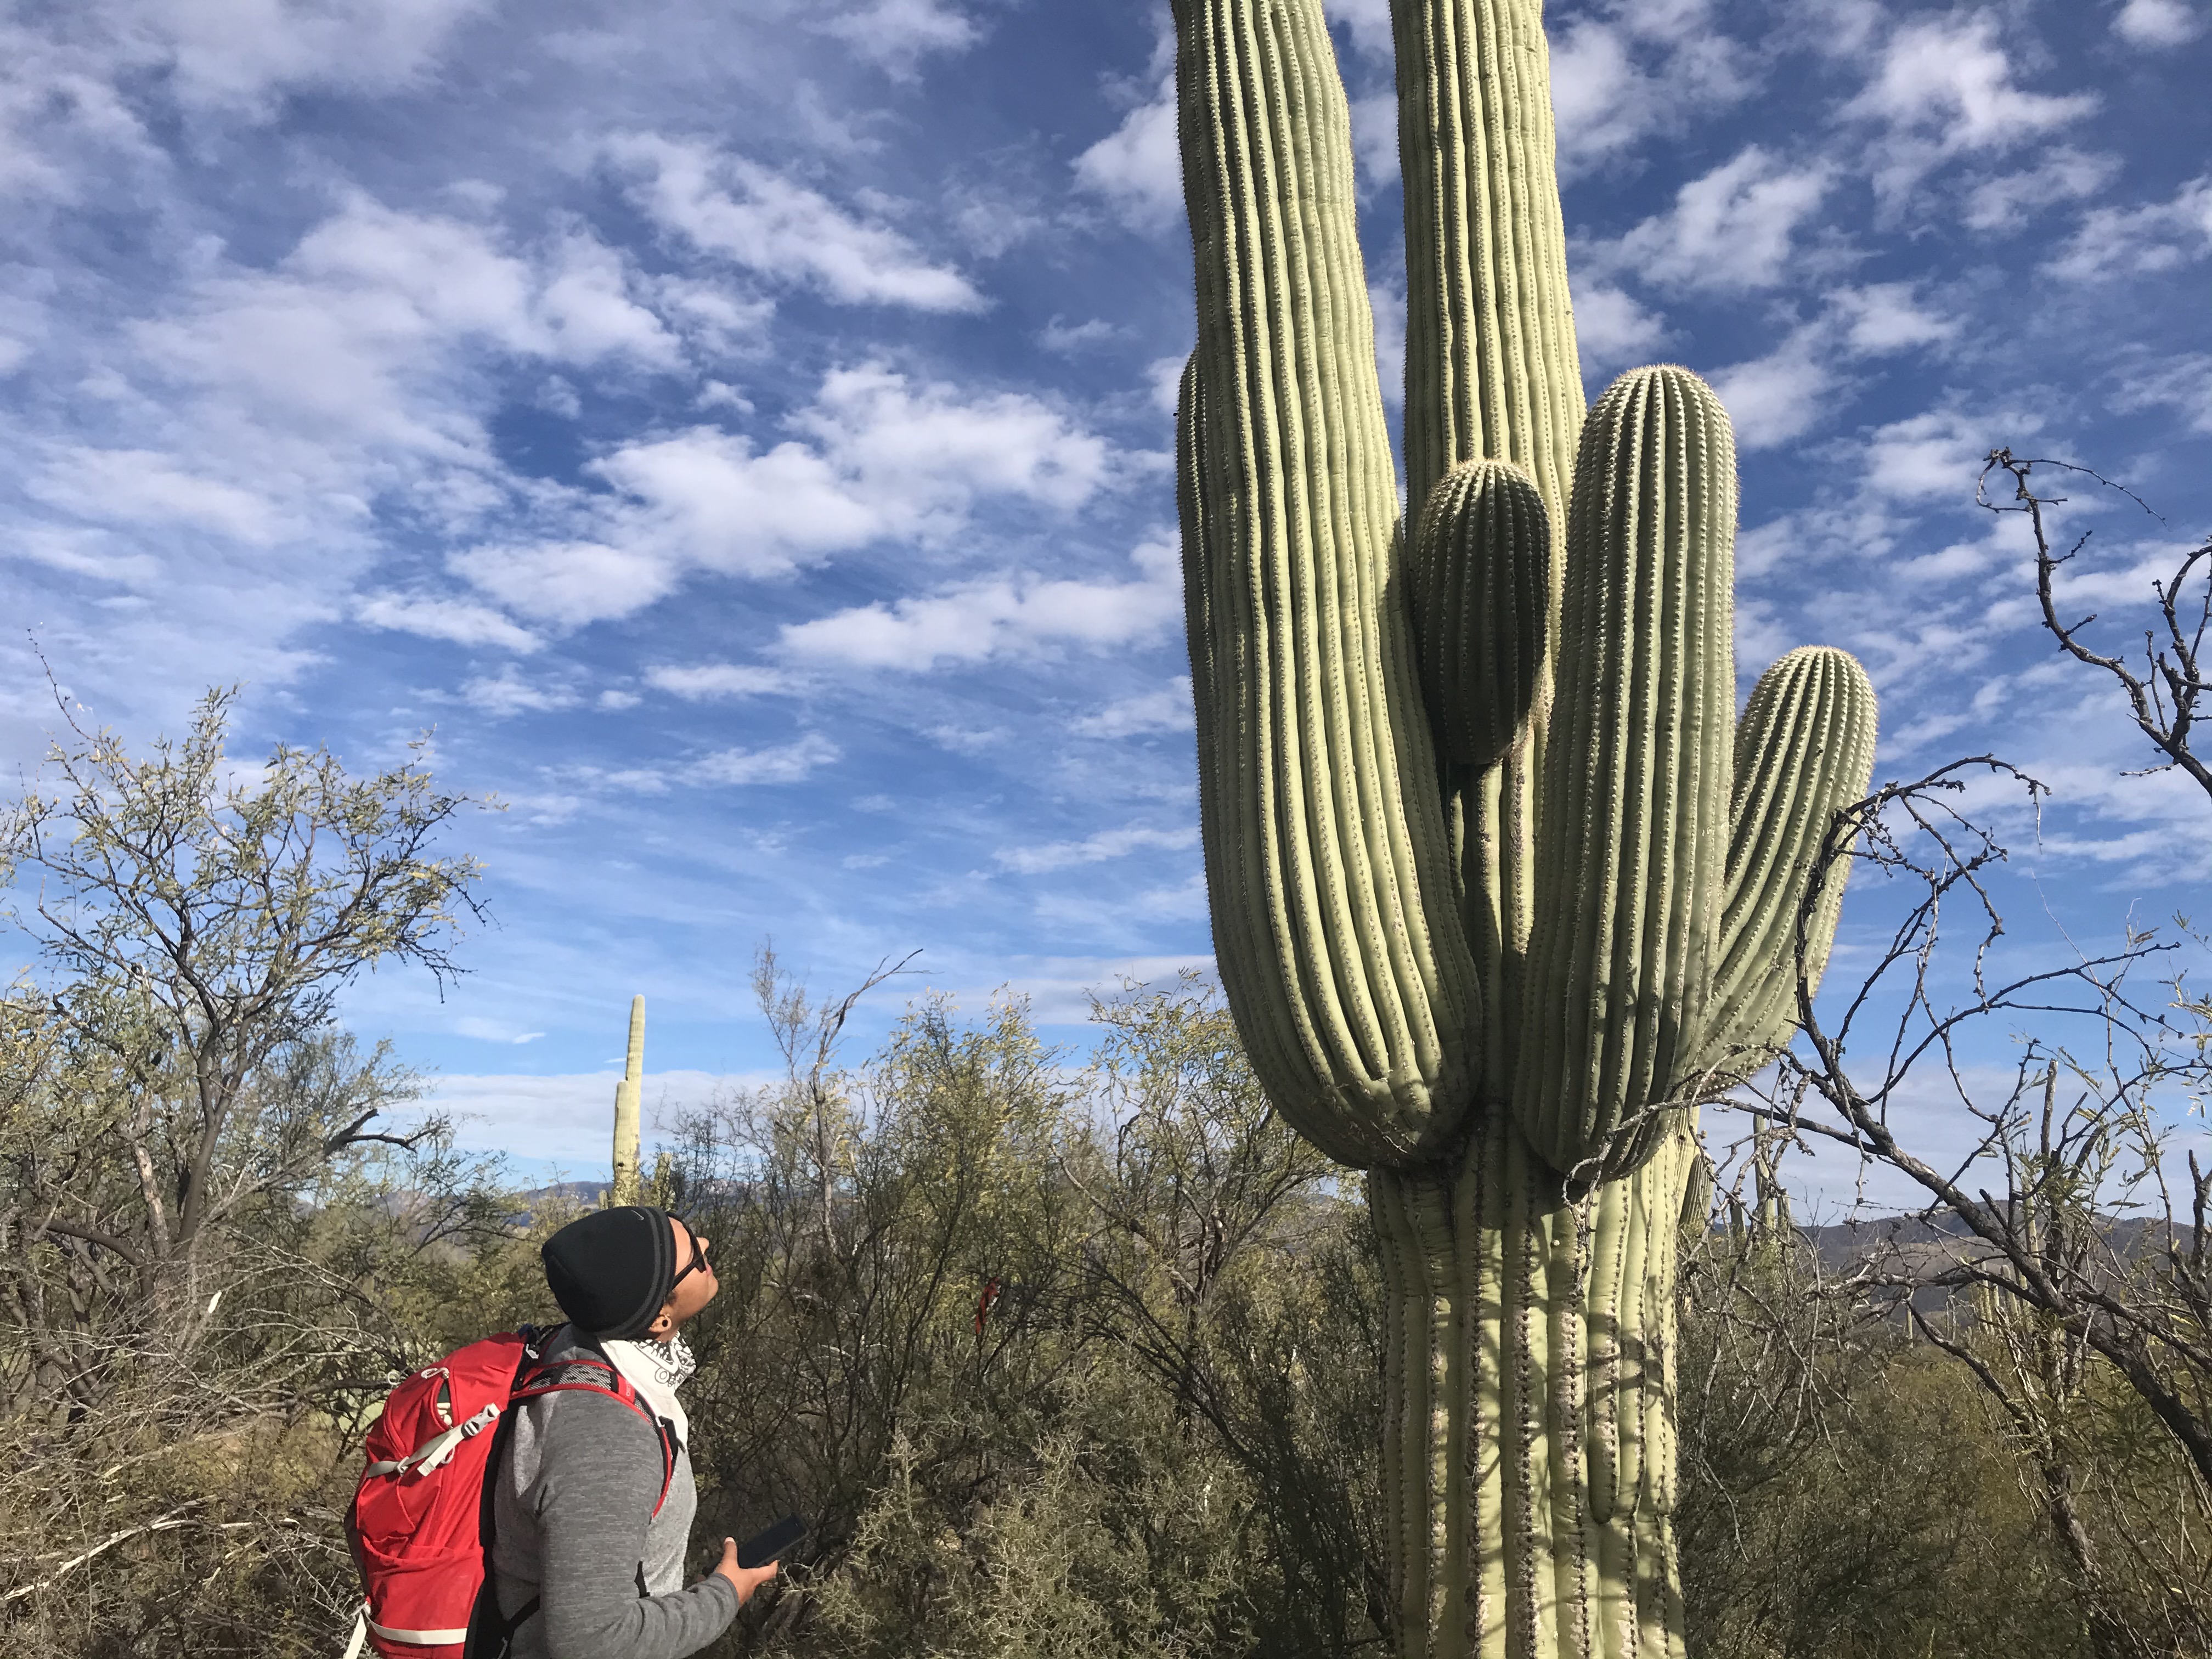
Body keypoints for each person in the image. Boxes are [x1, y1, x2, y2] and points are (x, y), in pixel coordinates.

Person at [482, 1205, 777, 1658]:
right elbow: (592, 1641)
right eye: (694, 1260)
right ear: (660, 1319)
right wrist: (723, 1596)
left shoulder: (575, 1345)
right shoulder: (608, 1439)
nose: (706, 1246)